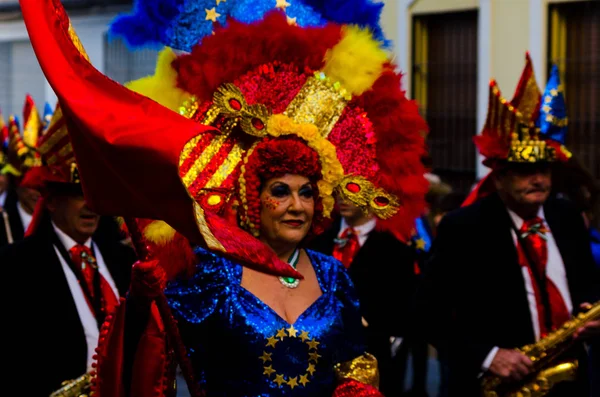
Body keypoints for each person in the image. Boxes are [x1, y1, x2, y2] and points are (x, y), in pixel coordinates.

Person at [21, 0, 428, 395]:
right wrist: (142, 303)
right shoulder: (211, 275)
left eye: (307, 193)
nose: (297, 206)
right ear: (253, 200)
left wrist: (354, 390)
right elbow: (149, 362)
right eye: (280, 192)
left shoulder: (333, 275)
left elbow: (354, 361)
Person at [416, 56, 600, 396]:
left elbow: (589, 283)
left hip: (569, 381)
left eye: (545, 170)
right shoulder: (464, 227)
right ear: (499, 178)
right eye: (525, 171)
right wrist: (488, 356)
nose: (539, 179)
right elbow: (428, 312)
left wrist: (591, 309)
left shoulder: (566, 215)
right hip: (498, 386)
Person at [0, 104, 137, 396]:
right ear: (49, 201)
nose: (90, 205)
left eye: (95, 195)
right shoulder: (15, 265)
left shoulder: (124, 260)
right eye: (78, 195)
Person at [310, 195, 418, 396]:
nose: (343, 198)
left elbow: (403, 311)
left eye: (353, 189)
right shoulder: (316, 239)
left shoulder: (397, 250)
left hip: (373, 359)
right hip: (317, 359)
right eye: (339, 189)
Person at [0, 96, 43, 246]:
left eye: (43, 185)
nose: (39, 192)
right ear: (18, 184)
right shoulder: (3, 221)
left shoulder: (59, 223)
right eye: (32, 185)